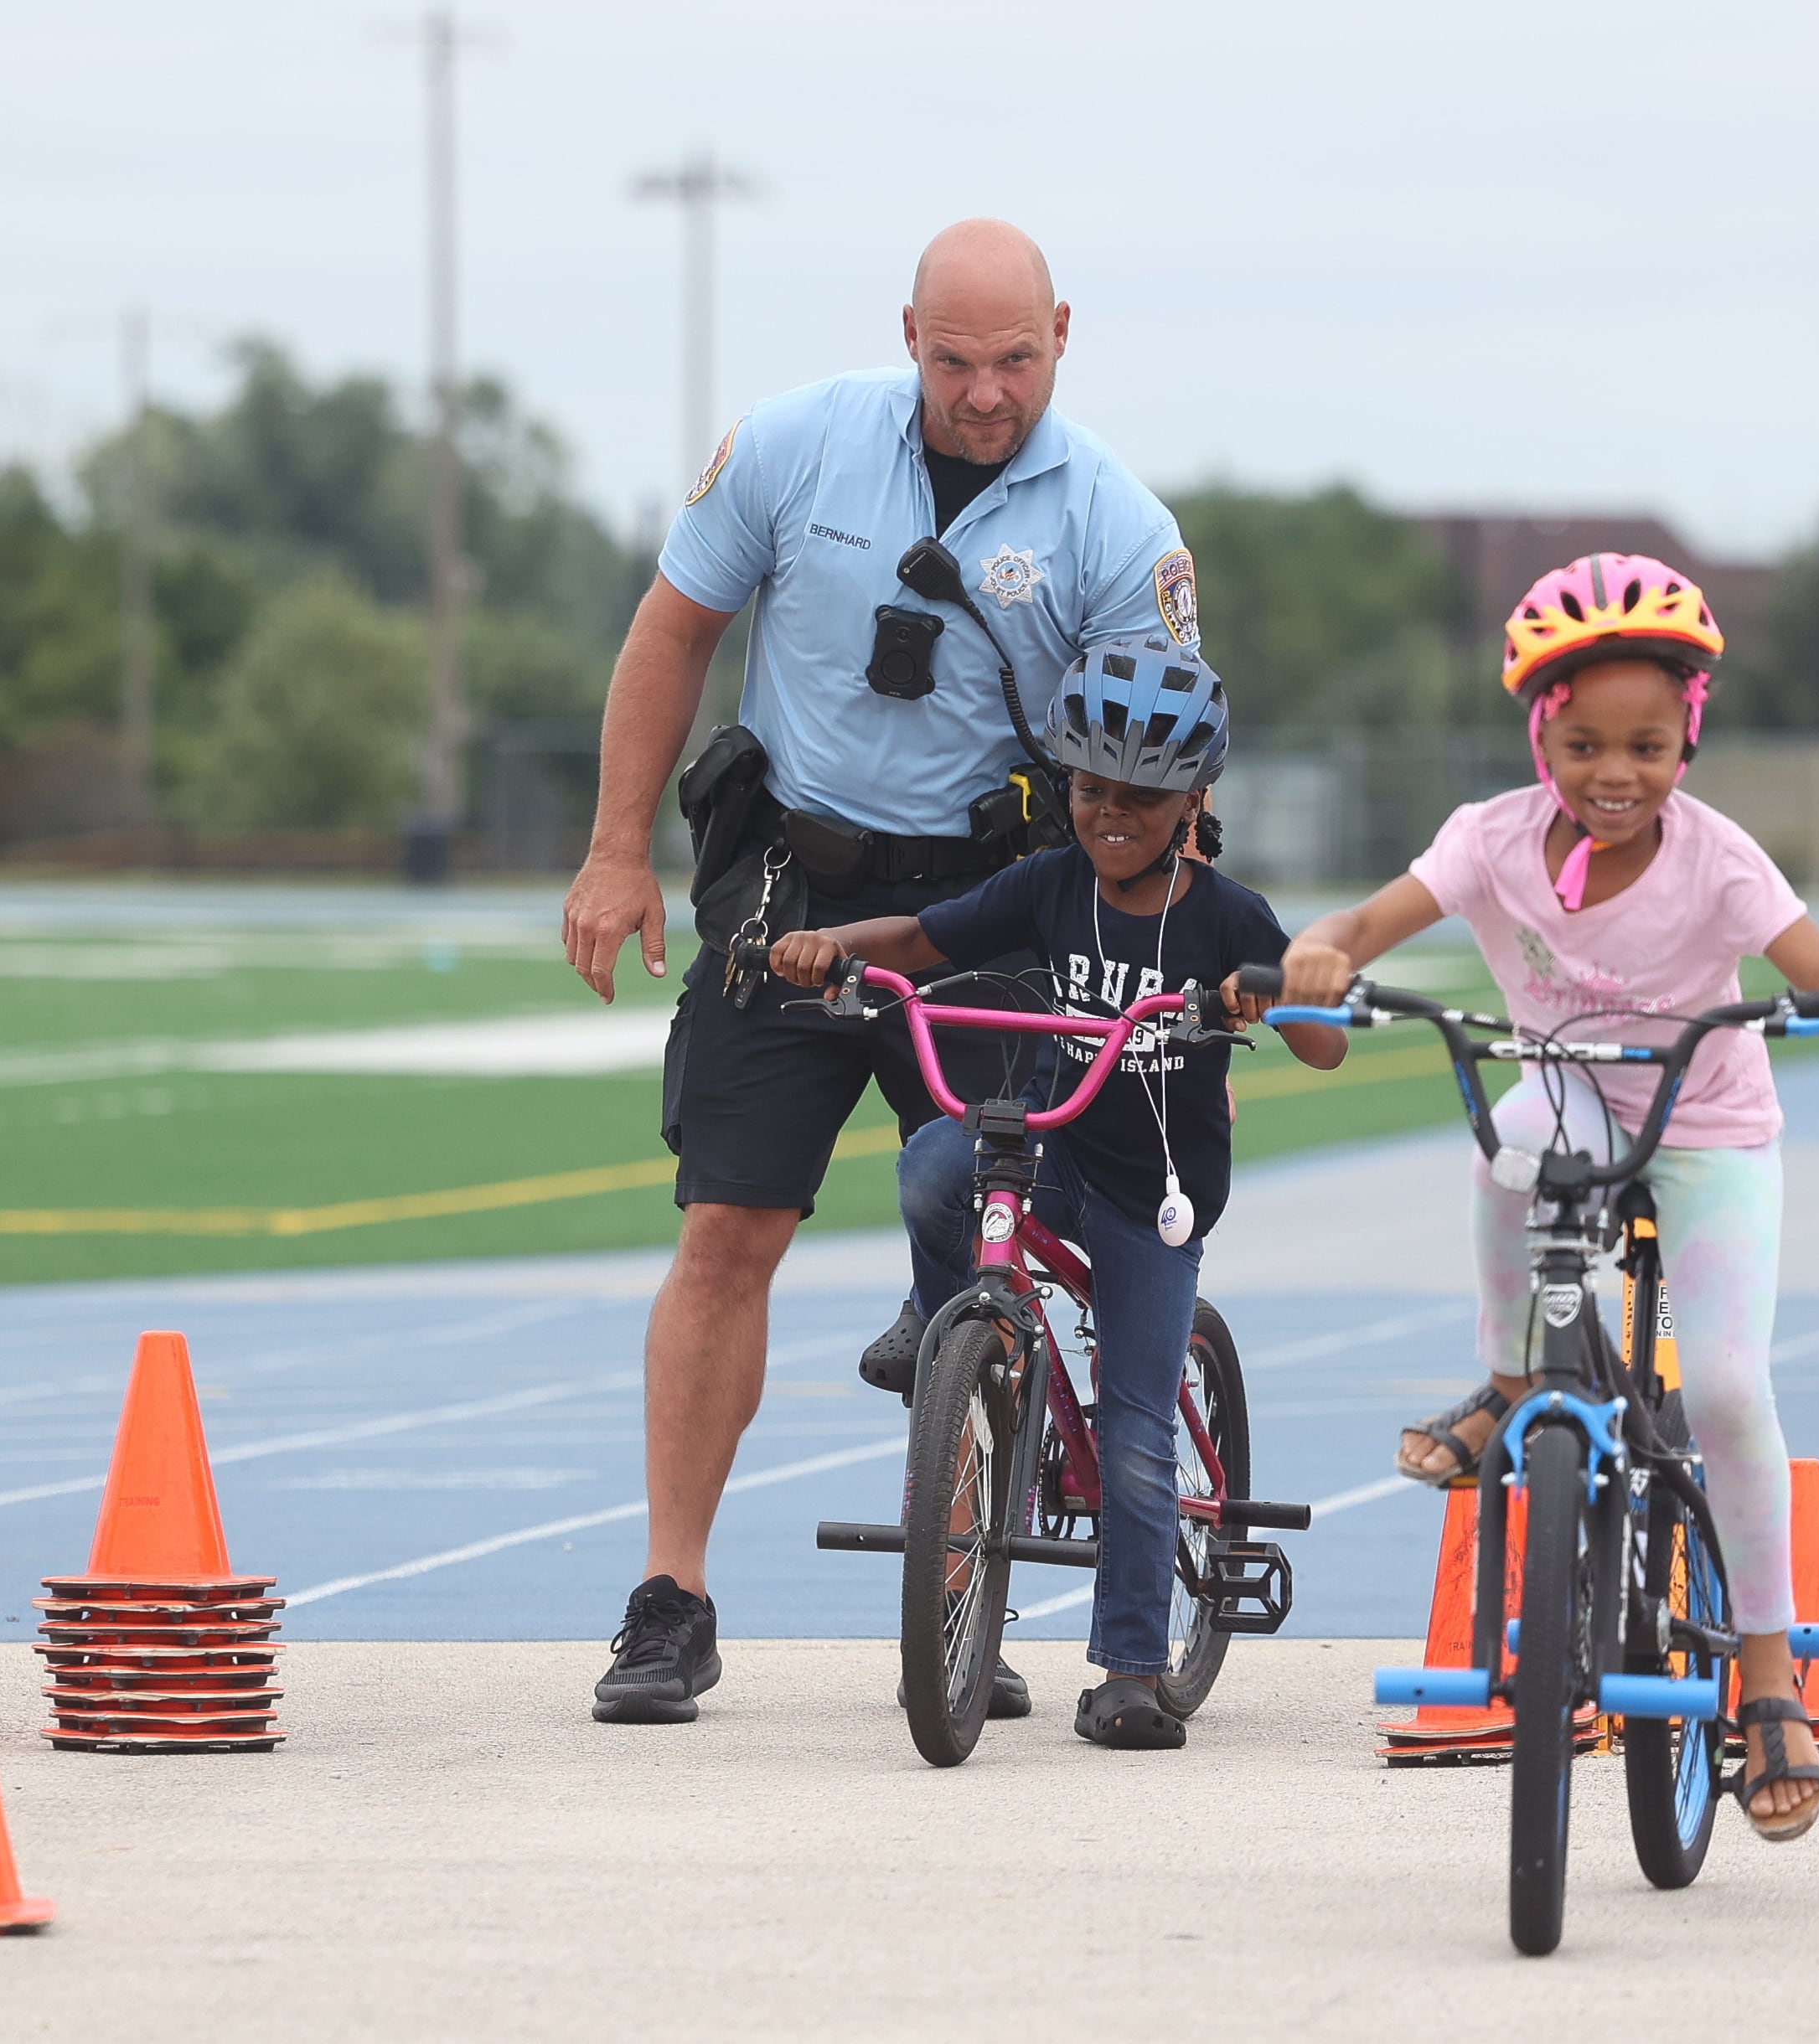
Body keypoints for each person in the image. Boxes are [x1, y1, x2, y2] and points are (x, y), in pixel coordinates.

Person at [561, 219, 1206, 1724]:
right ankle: (672, 1601)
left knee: (978, 1227)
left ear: (1065, 331)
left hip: (991, 905)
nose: (986, 394)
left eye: (1016, 361)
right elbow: (673, 631)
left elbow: (1156, 768)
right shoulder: (793, 447)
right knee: (726, 1230)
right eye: (954, 361)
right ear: (907, 331)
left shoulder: (1120, 525)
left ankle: (961, 1585)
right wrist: (613, 847)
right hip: (789, 892)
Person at [1274, 553, 1819, 1837]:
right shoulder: (1490, 840)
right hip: (1564, 1091)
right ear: (1541, 738)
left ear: (1689, 742)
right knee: (1506, 1133)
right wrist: (1325, 948)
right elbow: (1371, 923)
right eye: (1588, 746)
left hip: (1707, 1124)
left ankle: (1768, 1684)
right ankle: (1510, 1383)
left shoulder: (1721, 860)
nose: (1618, 774)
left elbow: (1813, 957)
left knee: (1724, 1387)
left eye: (1651, 747)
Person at [772, 641, 1345, 1747]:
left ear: (1193, 801)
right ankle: (971, 1353)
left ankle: (1132, 1664)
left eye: (1142, 796)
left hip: (1151, 1191)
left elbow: (1318, 1043)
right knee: (938, 1164)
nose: (1109, 814)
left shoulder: (1224, 916)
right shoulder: (1049, 885)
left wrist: (1263, 996)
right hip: (1053, 1147)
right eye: (1090, 789)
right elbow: (925, 941)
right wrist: (832, 949)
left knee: (1135, 1427)